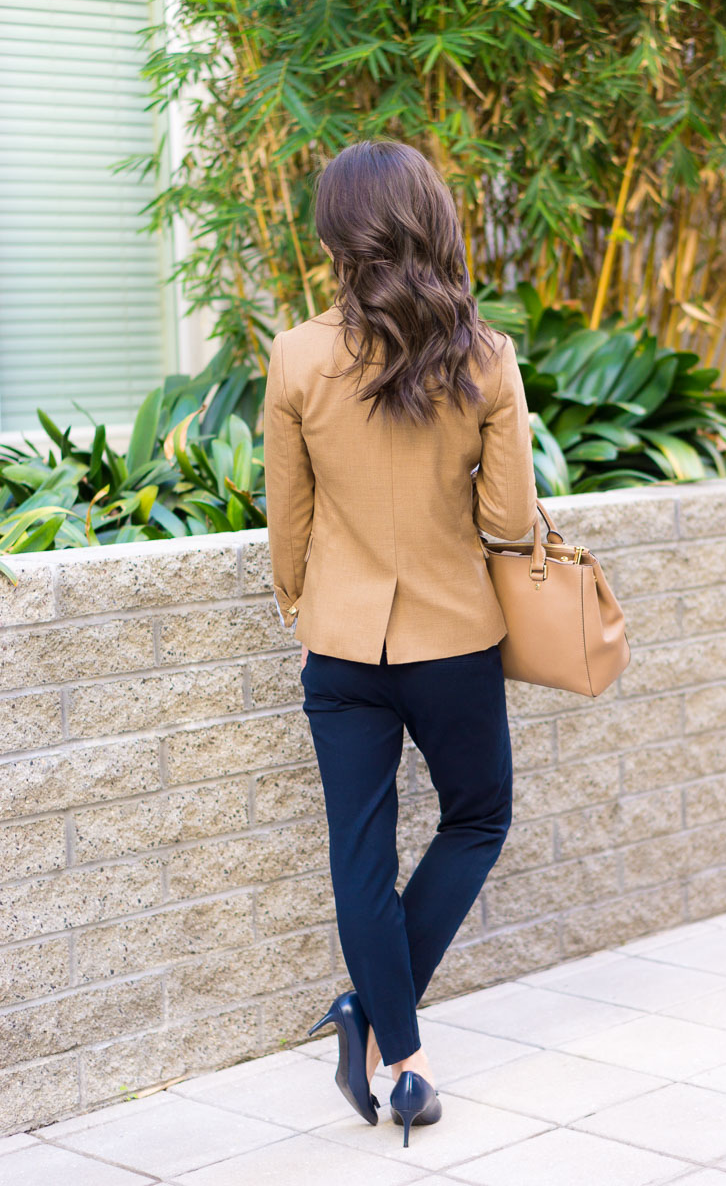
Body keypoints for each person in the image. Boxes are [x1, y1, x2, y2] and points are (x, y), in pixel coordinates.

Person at [262, 138, 537, 1148]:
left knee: (358, 858)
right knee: (475, 818)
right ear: (433, 221)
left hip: (338, 647)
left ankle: (397, 1052)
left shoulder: (296, 356)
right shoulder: (484, 357)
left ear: (338, 235)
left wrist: (306, 613)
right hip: (452, 640)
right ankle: (381, 1031)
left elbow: (284, 525)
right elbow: (509, 520)